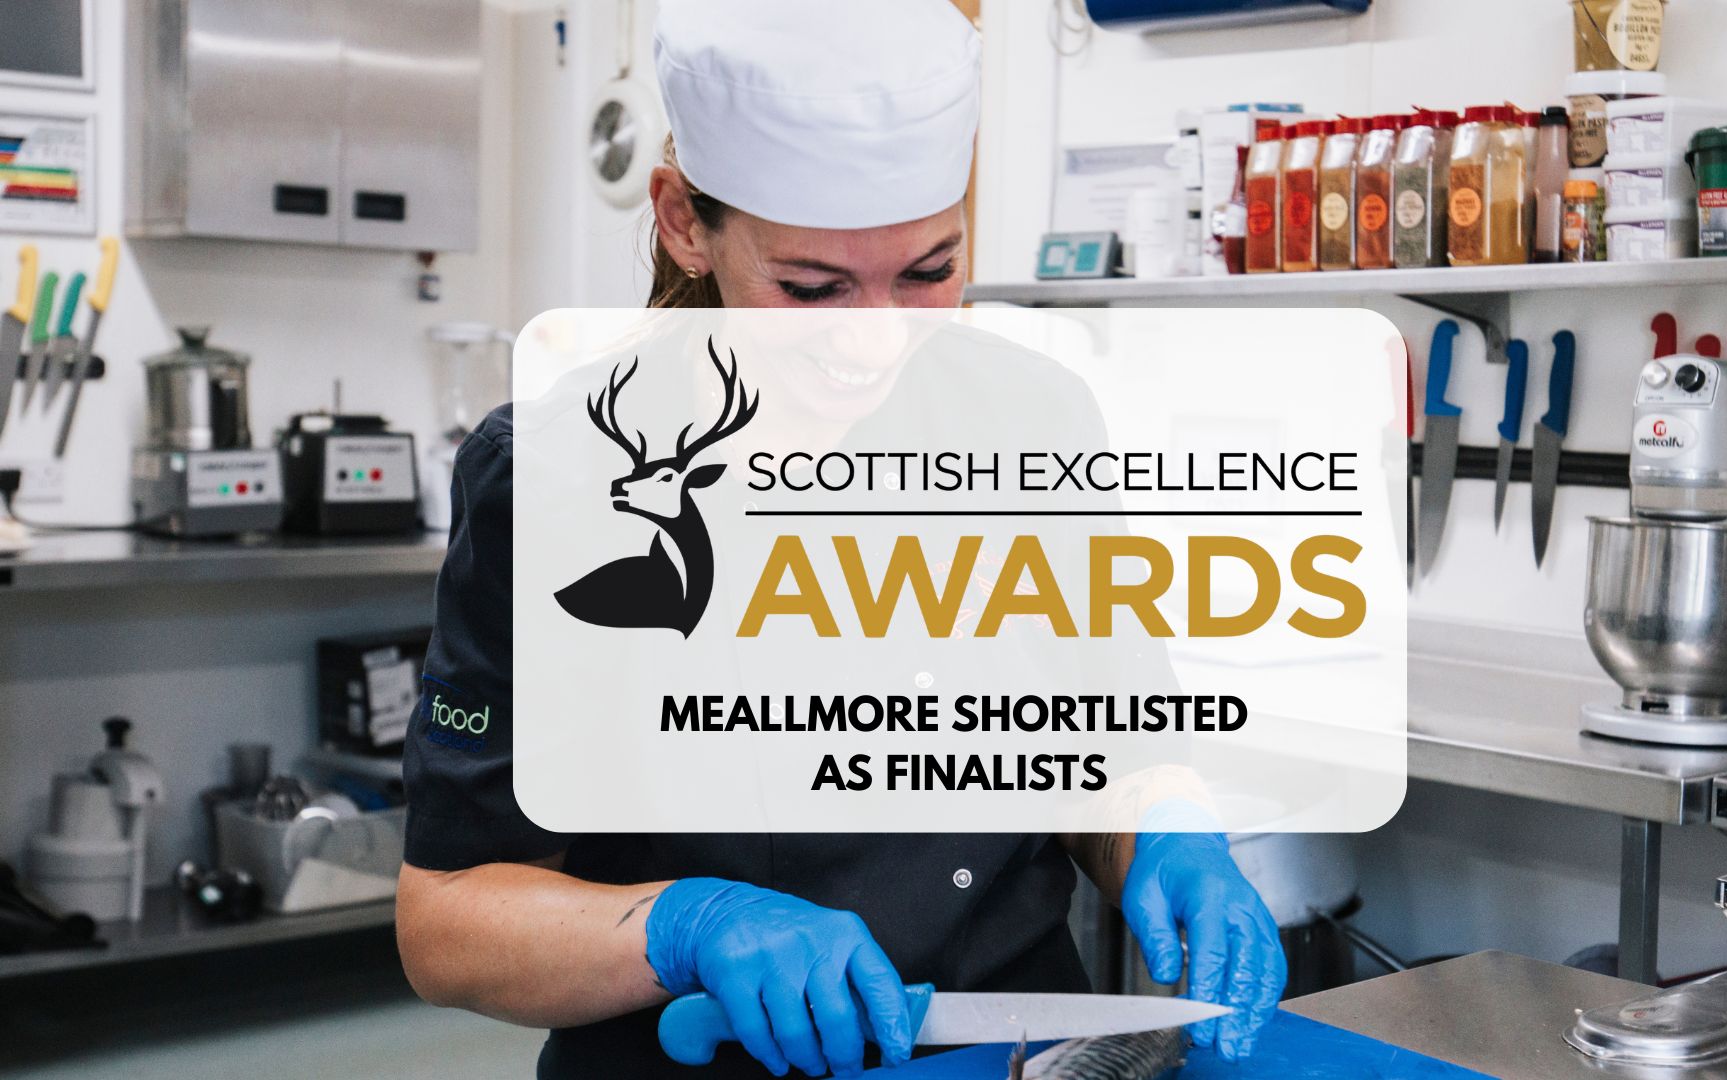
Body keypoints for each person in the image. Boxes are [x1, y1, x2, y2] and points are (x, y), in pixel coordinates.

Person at [395, 2, 1284, 1076]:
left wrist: (1168, 833)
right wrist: (686, 927)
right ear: (683, 222)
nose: (875, 340)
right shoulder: (557, 475)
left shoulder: (1032, 420)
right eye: (812, 288)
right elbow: (447, 920)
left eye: (928, 272)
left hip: (1014, 1056)